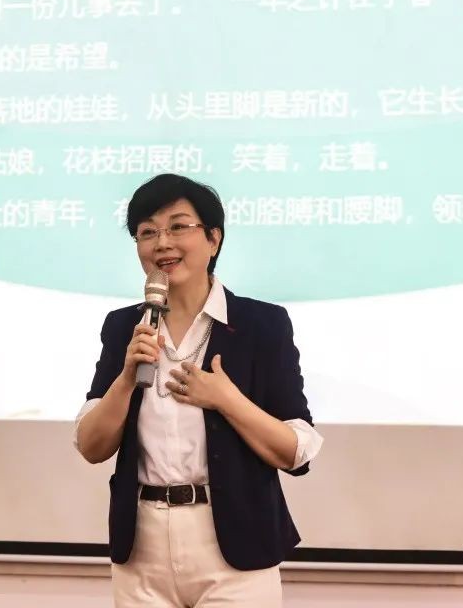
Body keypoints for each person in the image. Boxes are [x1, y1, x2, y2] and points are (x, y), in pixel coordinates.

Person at [74, 173, 323, 607]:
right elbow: (91, 446)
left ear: (213, 238)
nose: (162, 243)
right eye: (147, 232)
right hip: (142, 550)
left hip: (234, 550)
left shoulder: (261, 326)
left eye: (178, 227)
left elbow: (297, 450)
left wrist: (226, 400)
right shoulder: (124, 327)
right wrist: (126, 378)